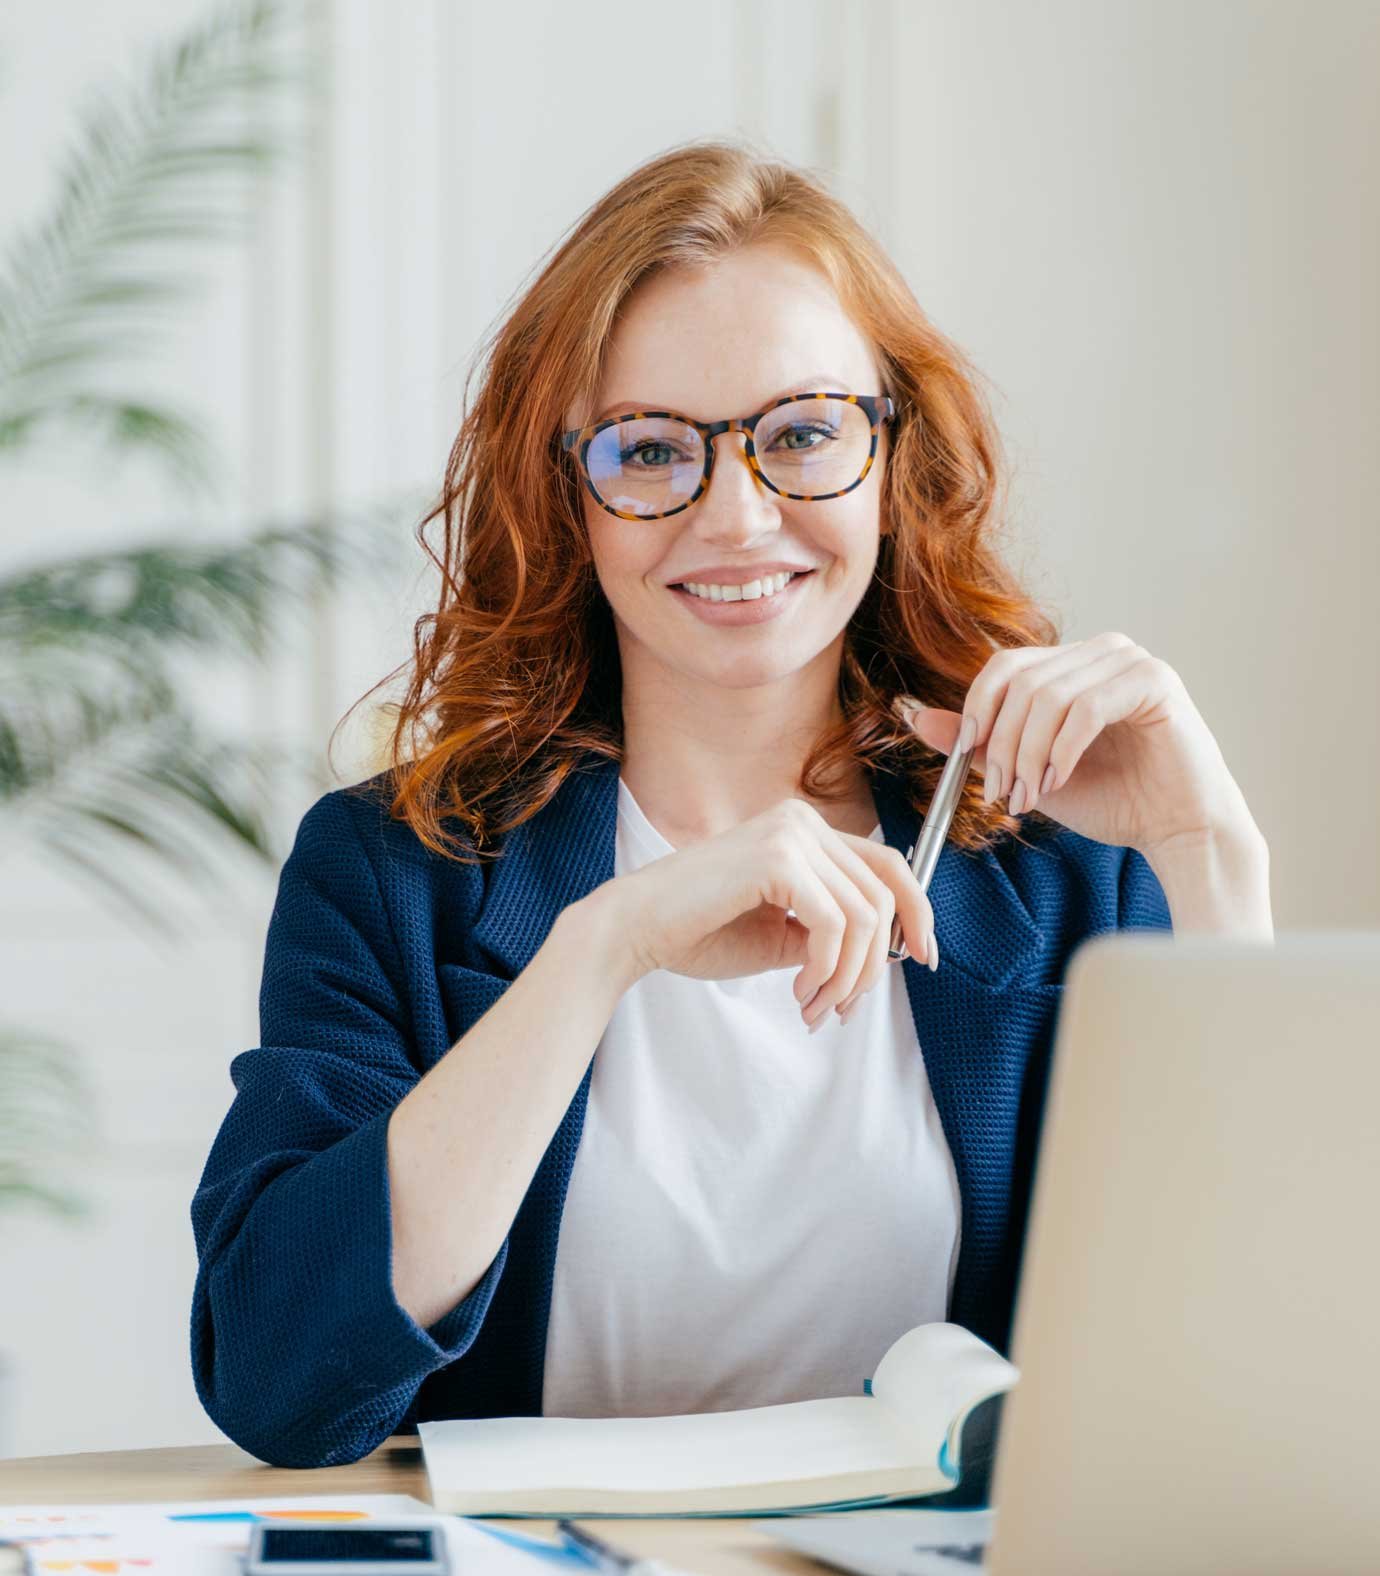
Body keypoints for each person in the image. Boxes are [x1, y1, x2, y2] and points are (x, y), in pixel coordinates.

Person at [188, 140, 1272, 1478]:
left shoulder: (1054, 868)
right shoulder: (395, 870)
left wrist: (1209, 859)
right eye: (651, 451)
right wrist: (602, 952)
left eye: (803, 433)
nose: (738, 514)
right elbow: (278, 1380)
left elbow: (1243, 1372)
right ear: (566, 494)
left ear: (892, 455)